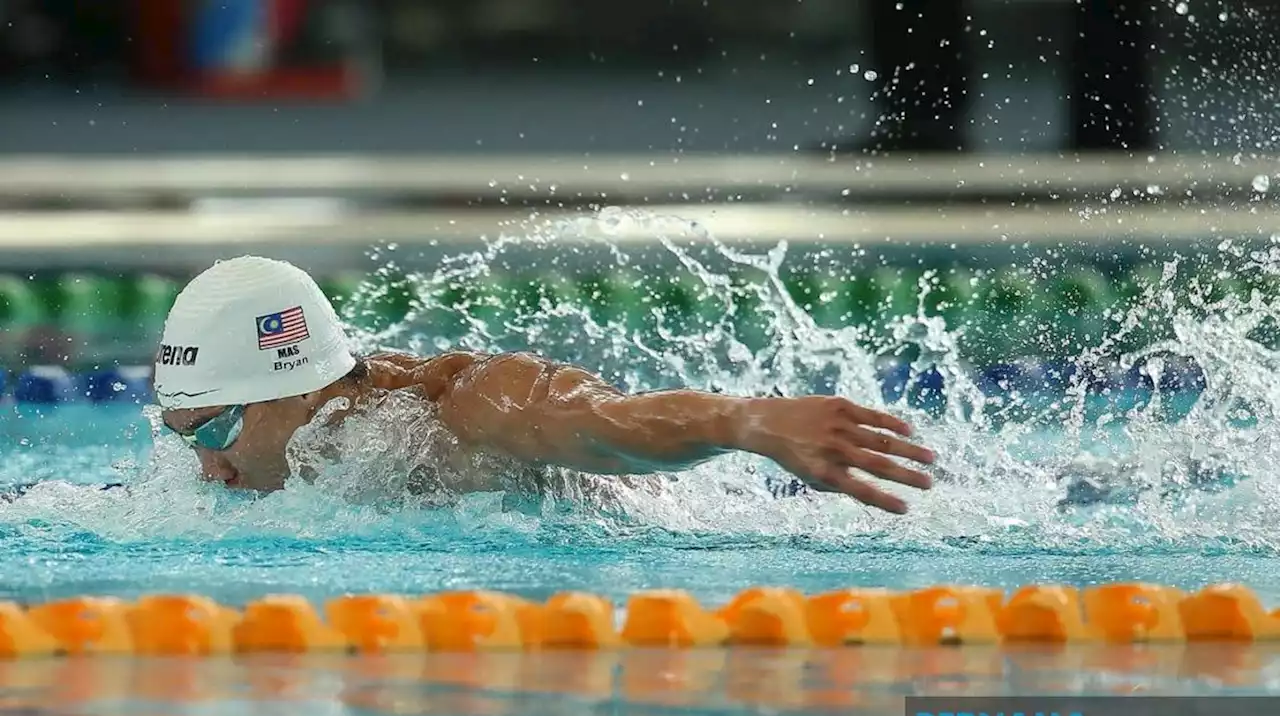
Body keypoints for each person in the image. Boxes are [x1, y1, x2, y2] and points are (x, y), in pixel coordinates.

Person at [152, 256, 936, 514]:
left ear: (302, 391)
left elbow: (610, 425)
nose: (207, 470)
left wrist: (748, 423)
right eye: (185, 436)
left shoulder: (465, 408)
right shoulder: (303, 444)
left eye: (216, 430)